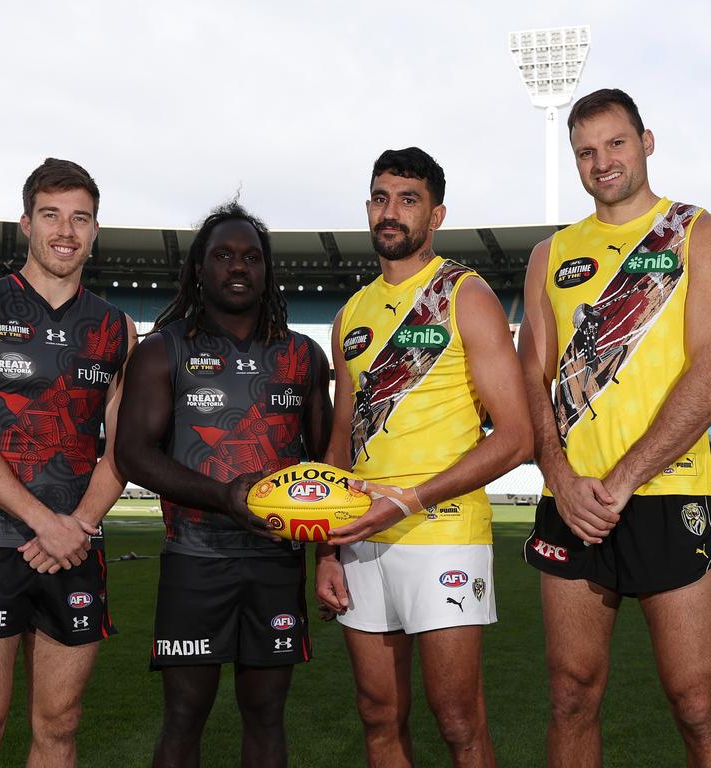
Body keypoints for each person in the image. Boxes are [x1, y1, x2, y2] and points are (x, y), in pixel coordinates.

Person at [316, 147, 532, 767]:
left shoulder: (464, 294)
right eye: (381, 198)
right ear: (367, 208)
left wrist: (408, 500)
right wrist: (326, 550)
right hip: (360, 533)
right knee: (378, 715)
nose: (391, 212)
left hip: (442, 534)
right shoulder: (350, 313)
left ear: (436, 215)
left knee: (459, 721)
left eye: (408, 200)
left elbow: (516, 437)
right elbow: (340, 441)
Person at [519, 88, 711, 766]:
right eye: (586, 151)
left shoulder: (694, 231)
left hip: (668, 495)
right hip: (573, 504)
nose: (602, 161)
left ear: (647, 141)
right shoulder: (551, 255)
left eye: (616, 143)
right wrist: (561, 479)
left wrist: (626, 477)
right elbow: (530, 377)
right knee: (571, 694)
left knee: (697, 704)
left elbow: (708, 370)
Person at [114, 202, 332, 768]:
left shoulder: (304, 357)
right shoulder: (164, 349)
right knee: (185, 714)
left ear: (266, 271)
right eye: (223, 255)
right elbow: (133, 453)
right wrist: (224, 498)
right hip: (195, 557)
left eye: (251, 257)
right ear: (199, 270)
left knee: (266, 713)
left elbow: (330, 461)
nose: (238, 266)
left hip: (275, 562)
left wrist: (329, 549)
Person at [0, 158, 137, 767]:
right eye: (51, 214)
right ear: (25, 222)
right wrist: (44, 522)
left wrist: (75, 525)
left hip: (77, 546)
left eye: (80, 218)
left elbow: (124, 445)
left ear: (95, 230)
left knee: (59, 727)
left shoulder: (116, 329)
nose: (65, 230)